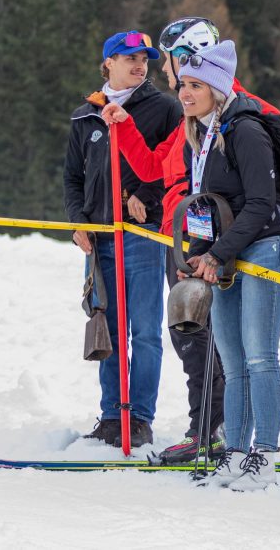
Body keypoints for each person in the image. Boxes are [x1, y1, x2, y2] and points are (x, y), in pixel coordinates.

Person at [109, 40, 280, 490]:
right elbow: (209, 204)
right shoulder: (202, 135)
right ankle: (235, 452)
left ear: (217, 87)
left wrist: (216, 254)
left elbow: (259, 204)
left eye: (196, 85)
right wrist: (197, 256)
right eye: (183, 85)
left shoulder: (245, 129)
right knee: (232, 362)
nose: (185, 93)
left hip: (270, 245)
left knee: (260, 356)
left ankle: (265, 457)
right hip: (230, 251)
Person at [63, 31, 181, 448]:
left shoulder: (164, 108)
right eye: (129, 57)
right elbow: (73, 178)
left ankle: (140, 418)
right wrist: (78, 221)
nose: (139, 65)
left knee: (145, 332)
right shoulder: (85, 116)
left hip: (143, 235)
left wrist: (144, 197)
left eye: (145, 59)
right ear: (107, 63)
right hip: (99, 240)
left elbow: (172, 164)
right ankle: (112, 415)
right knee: (106, 329)